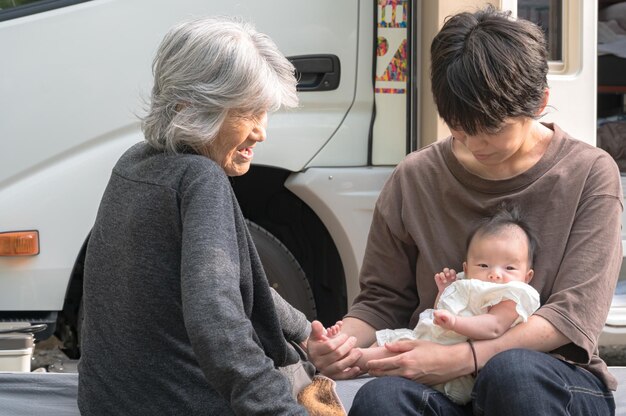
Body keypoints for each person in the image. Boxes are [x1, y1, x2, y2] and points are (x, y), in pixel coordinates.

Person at [307, 5, 622, 416]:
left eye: (491, 129)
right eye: (458, 128)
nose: (475, 145)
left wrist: (464, 358)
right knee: (380, 399)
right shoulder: (415, 176)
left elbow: (570, 315)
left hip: (553, 380)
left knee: (512, 374)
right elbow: (382, 301)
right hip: (446, 387)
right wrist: (342, 344)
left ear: (540, 102)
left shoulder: (589, 173)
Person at [78, 16, 311, 415]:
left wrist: (306, 331)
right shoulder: (200, 179)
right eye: (249, 113)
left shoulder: (133, 163)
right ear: (190, 108)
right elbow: (218, 323)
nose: (261, 132)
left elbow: (233, 283)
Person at [326, 205, 541, 405]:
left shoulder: (512, 295)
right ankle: (343, 348)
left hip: (461, 364)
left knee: (395, 354)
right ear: (466, 267)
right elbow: (440, 312)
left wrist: (456, 322)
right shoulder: (466, 283)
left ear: (527, 276)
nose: (495, 273)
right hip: (430, 340)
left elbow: (494, 325)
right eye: (483, 265)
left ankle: (353, 360)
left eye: (509, 268)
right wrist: (445, 292)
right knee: (388, 341)